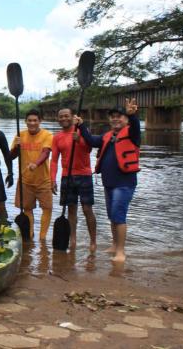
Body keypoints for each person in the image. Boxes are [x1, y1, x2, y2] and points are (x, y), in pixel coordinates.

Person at [74, 98, 140, 263]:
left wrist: (133, 116)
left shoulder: (132, 134)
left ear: (125, 120)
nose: (116, 119)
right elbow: (90, 140)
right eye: (113, 116)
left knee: (119, 216)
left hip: (124, 184)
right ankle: (114, 244)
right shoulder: (107, 136)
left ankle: (120, 252)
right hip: (109, 183)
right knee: (112, 216)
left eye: (120, 116)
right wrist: (81, 125)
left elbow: (136, 126)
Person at [50, 107, 97, 252]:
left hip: (84, 175)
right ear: (58, 119)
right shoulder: (57, 137)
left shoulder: (82, 131)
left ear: (73, 117)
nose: (64, 119)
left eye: (66, 116)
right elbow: (54, 160)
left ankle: (93, 241)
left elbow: (88, 149)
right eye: (61, 117)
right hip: (67, 176)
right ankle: (73, 240)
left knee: (87, 209)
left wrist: (80, 140)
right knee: (71, 210)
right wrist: (52, 179)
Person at [10, 109, 53, 241]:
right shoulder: (20, 135)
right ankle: (30, 235)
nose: (32, 123)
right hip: (25, 180)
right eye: (29, 120)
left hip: (43, 180)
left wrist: (36, 164)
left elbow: (46, 152)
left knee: (47, 208)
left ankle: (43, 238)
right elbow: (11, 157)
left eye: (35, 120)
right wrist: (16, 146)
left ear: (40, 121)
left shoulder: (47, 135)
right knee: (27, 209)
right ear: (25, 121)